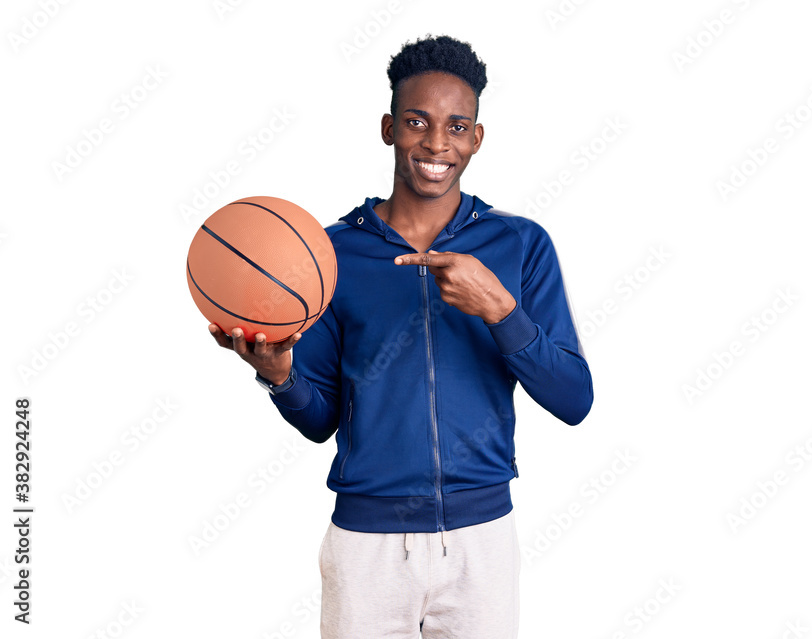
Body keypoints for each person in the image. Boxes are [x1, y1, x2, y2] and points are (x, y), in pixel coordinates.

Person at [208, 34, 593, 638]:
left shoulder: (520, 245)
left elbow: (575, 400)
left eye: (457, 126)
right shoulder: (330, 255)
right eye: (418, 122)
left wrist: (498, 307)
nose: (438, 143)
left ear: (477, 138)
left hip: (481, 543)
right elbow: (321, 420)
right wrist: (280, 375)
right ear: (388, 128)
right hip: (366, 548)